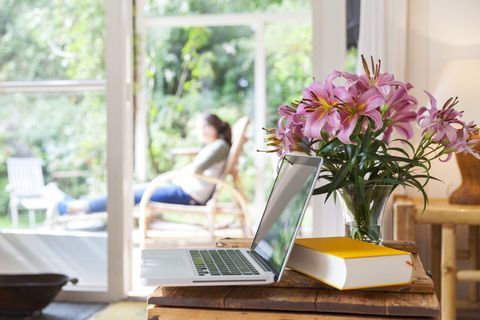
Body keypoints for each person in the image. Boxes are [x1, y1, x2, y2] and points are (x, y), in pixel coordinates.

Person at [51, 113, 232, 215]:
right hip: (182, 189)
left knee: (130, 194)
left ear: (212, 127)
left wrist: (182, 170)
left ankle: (74, 207)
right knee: (133, 191)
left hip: (187, 194)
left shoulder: (219, 146)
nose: (199, 131)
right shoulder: (215, 146)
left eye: (202, 127)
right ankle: (80, 205)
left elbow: (197, 169)